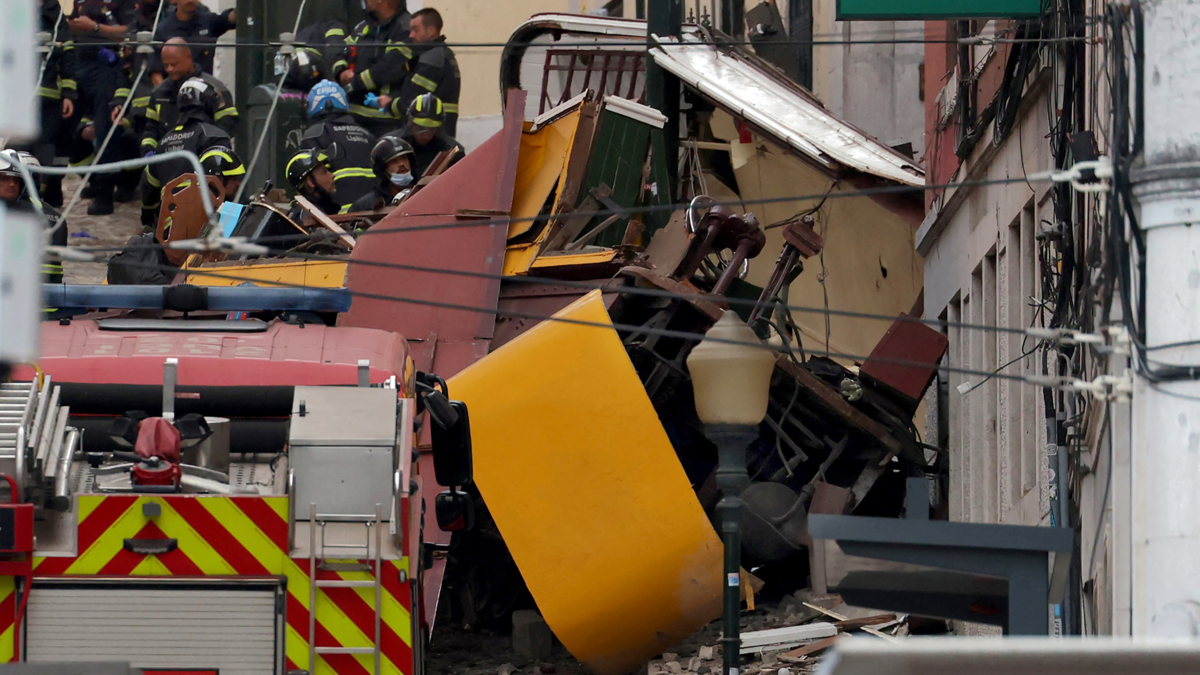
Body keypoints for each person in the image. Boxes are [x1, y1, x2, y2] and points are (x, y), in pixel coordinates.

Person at [66, 0, 140, 215]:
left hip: (104, 67)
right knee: (69, 127)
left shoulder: (120, 4)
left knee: (105, 128)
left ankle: (106, 193)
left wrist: (95, 28)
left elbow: (129, 32)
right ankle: (95, 180)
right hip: (78, 63)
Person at [140, 77, 232, 230]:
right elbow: (228, 185)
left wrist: (149, 218)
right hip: (207, 228)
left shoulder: (164, 141)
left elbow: (148, 186)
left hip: (169, 228)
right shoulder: (214, 136)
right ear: (209, 104)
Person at [139, 38, 238, 156]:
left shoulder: (214, 89)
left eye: (174, 64)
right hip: (168, 161)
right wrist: (149, 150)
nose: (170, 69)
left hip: (203, 158)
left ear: (188, 57)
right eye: (166, 65)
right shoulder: (159, 93)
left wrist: (209, 146)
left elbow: (228, 122)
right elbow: (151, 129)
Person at [335, 0, 413, 135]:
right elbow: (342, 50)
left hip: (386, 122)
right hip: (354, 119)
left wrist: (354, 83)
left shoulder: (406, 29)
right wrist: (341, 71)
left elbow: (389, 68)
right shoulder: (363, 26)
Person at [380, 7, 460, 137]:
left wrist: (389, 103)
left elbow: (412, 101)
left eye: (416, 30)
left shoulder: (432, 59)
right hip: (439, 133)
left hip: (430, 133)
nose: (411, 35)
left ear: (431, 30)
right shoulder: (443, 54)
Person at [300, 80, 378, 209]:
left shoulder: (314, 134)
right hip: (372, 214)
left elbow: (310, 182)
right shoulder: (367, 134)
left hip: (338, 218)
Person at [0, 150, 67, 284]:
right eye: (5, 178)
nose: (12, 184)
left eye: (16, 180)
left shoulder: (21, 216)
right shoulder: (53, 215)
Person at [152, 0, 236, 75]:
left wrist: (243, 8)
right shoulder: (163, 29)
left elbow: (229, 19)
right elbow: (155, 70)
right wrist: (164, 92)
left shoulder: (208, 22)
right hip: (176, 89)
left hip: (204, 88)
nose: (190, 1)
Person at [401, 93, 464, 179]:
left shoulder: (452, 151)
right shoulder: (391, 146)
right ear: (409, 122)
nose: (425, 134)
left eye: (431, 128)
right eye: (419, 127)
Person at [350, 134, 415, 212]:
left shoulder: (424, 193)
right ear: (383, 169)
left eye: (404, 158)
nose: (401, 164)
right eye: (393, 161)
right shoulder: (364, 205)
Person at [285, 149, 341, 222]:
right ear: (310, 182)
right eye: (324, 172)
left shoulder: (322, 210)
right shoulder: (305, 218)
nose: (332, 175)